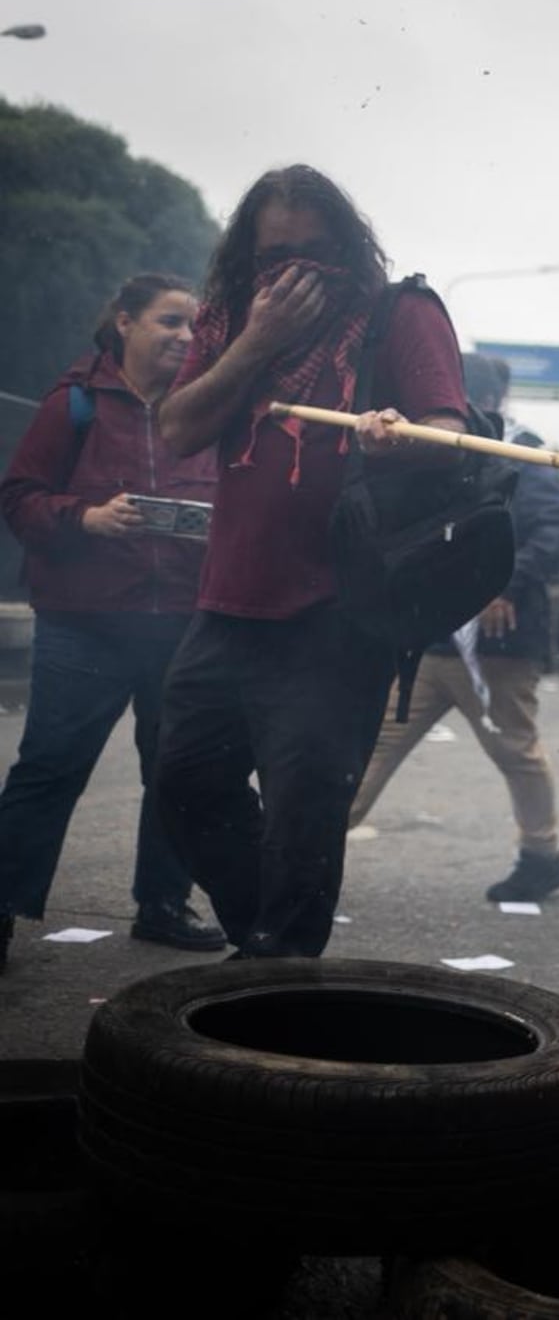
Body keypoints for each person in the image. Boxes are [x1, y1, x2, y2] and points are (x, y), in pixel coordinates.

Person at [152, 164, 471, 959]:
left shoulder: (398, 314)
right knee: (185, 783)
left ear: (349, 248)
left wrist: (401, 435)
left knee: (304, 817)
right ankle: (268, 939)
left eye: (315, 254)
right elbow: (178, 428)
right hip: (227, 607)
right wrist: (260, 340)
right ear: (247, 259)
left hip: (336, 616)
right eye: (274, 258)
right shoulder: (232, 319)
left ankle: (278, 972)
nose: (293, 274)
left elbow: (447, 432)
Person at [0, 275, 226, 969]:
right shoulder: (74, 403)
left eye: (193, 326)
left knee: (175, 772)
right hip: (85, 624)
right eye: (169, 321)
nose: (186, 337)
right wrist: (87, 518)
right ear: (123, 323)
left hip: (182, 627)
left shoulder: (207, 409)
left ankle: (162, 905)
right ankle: (2, 908)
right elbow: (18, 496)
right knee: (49, 768)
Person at [346, 354, 559, 903]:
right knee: (374, 745)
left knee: (515, 751)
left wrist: (503, 584)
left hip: (496, 645)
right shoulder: (429, 444)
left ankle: (542, 856)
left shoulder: (518, 448)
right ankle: (303, 851)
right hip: (432, 641)